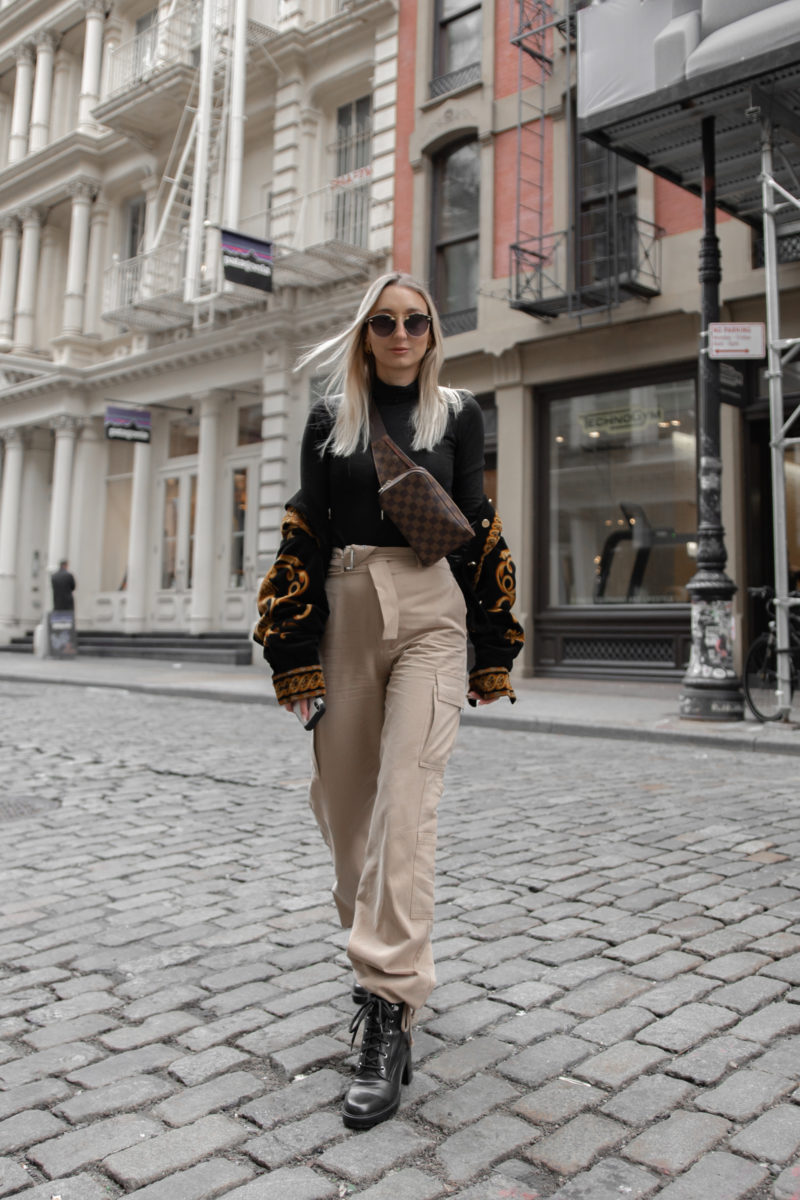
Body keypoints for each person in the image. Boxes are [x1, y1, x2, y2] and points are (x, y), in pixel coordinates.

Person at [254, 272, 524, 1130]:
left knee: (407, 804)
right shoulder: (329, 418)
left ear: (432, 331)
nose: (402, 333)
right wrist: (293, 652)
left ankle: (387, 1004)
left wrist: (492, 646)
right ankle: (386, 959)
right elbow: (305, 524)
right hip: (344, 607)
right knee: (348, 822)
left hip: (432, 614)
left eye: (416, 321)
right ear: (365, 333)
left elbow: (477, 524)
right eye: (385, 321)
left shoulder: (460, 412)